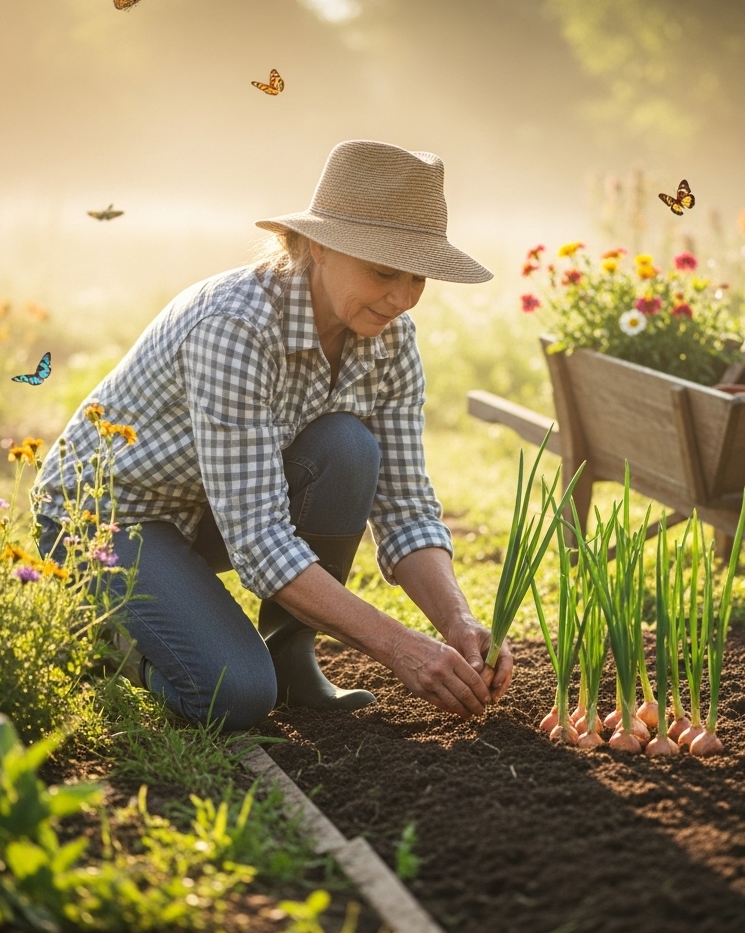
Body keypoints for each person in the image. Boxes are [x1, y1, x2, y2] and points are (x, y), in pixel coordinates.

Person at [34, 139, 514, 731]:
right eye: (384, 272)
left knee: (348, 447)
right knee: (234, 694)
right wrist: (398, 647)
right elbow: (260, 540)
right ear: (317, 245)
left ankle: (290, 659)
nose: (402, 297)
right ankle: (105, 642)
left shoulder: (391, 336)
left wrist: (457, 622)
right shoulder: (235, 325)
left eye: (418, 277)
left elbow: (405, 505)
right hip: (109, 518)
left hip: (207, 510)